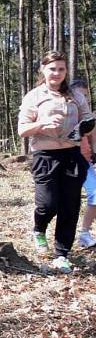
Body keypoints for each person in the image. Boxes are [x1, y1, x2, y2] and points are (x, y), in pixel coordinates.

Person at [18, 51, 95, 273]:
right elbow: (22, 130)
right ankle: (39, 229)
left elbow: (89, 122)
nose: (57, 73)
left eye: (61, 69)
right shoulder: (34, 96)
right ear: (43, 70)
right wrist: (42, 124)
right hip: (45, 156)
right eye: (52, 69)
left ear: (66, 71)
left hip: (73, 156)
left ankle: (62, 254)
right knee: (48, 203)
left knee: (70, 206)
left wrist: (88, 140)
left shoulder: (75, 96)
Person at [69, 78, 96, 249]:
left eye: (85, 96)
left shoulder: (89, 117)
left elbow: (93, 138)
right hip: (67, 163)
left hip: (86, 164)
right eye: (79, 96)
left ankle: (84, 234)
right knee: (64, 202)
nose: (83, 100)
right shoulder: (66, 114)